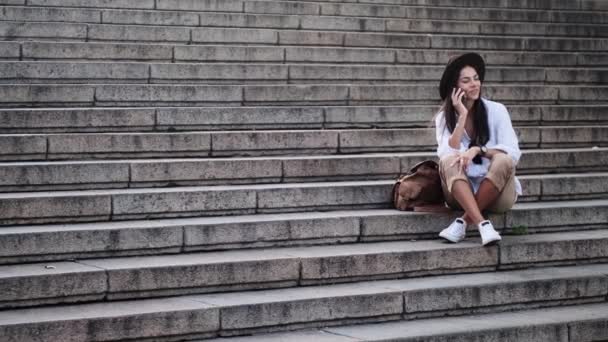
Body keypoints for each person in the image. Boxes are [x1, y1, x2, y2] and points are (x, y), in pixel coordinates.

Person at [434, 52, 522, 246]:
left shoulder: (497, 110)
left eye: (476, 78)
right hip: (460, 192)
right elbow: (447, 154)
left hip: (498, 194)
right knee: (448, 161)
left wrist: (478, 150)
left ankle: (463, 222)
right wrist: (462, 117)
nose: (474, 84)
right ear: (455, 88)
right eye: (466, 81)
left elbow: (513, 152)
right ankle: (483, 224)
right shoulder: (443, 119)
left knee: (504, 160)